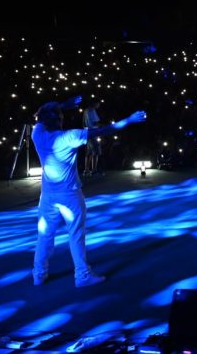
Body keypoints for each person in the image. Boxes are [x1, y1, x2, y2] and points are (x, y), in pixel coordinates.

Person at [31, 95, 146, 287]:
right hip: (69, 195)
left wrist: (62, 106)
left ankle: (38, 275)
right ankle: (82, 275)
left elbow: (39, 113)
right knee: (75, 234)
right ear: (59, 119)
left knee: (44, 236)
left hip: (47, 197)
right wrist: (130, 120)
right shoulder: (69, 137)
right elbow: (104, 130)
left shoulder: (37, 134)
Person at [83, 101, 103, 176]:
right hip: (93, 132)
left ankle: (86, 170)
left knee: (89, 152)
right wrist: (103, 126)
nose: (98, 105)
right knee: (96, 151)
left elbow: (84, 123)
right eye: (98, 104)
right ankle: (94, 170)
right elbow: (95, 122)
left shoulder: (85, 110)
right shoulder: (92, 110)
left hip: (87, 132)